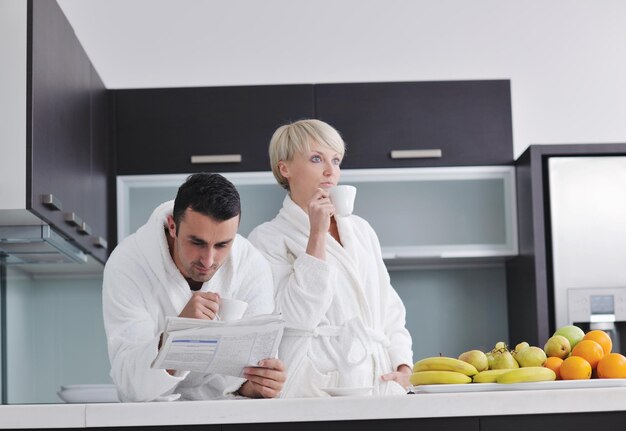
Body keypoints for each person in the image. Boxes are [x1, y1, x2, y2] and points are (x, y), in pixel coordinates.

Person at [248, 119, 413, 397]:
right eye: (316, 159)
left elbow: (389, 308)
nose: (330, 171)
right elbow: (294, 318)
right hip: (313, 384)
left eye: (336, 160)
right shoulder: (267, 238)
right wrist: (317, 235)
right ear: (284, 168)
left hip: (378, 379)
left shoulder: (361, 231)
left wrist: (403, 365)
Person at [102, 173, 285, 402]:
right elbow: (131, 383)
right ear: (172, 226)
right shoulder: (128, 264)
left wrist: (260, 385)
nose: (208, 261)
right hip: (152, 421)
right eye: (197, 243)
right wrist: (178, 335)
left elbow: (253, 371)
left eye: (222, 245)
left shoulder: (251, 265)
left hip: (225, 418)